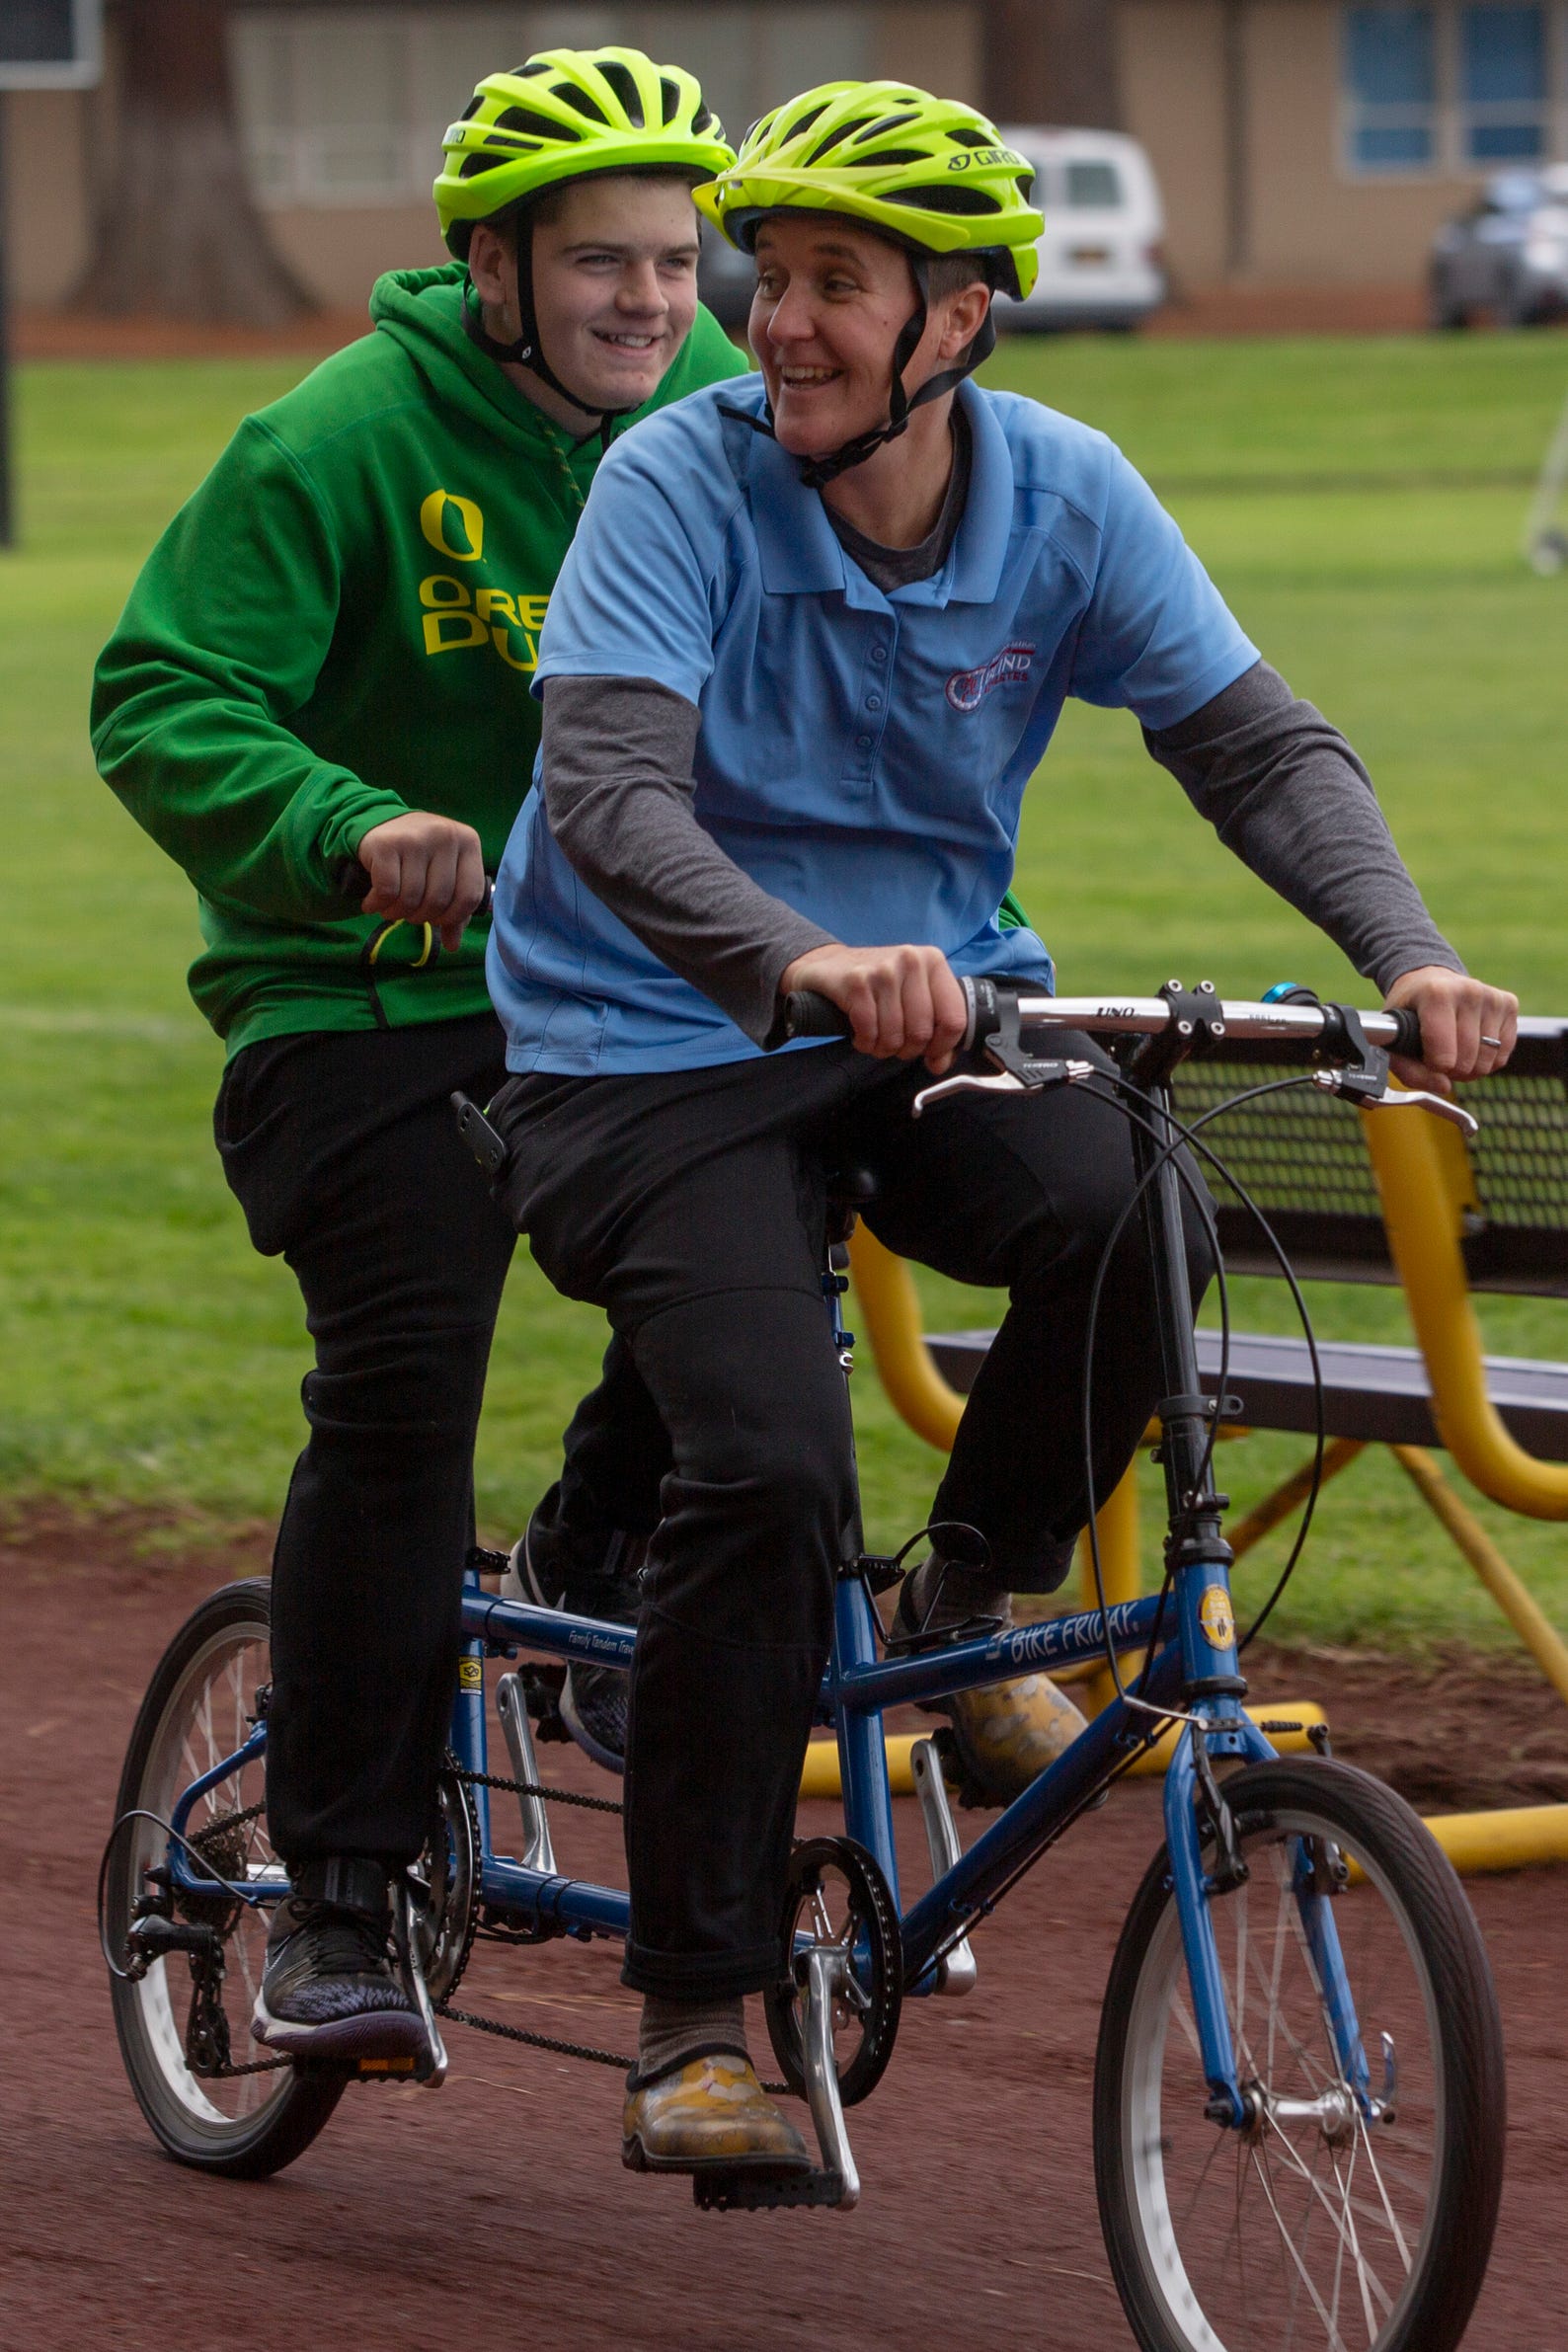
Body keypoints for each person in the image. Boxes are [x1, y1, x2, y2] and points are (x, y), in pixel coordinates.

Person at [481, 77, 1520, 2179]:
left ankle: (966, 1608)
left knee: (1139, 1202)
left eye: (833, 285)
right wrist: (794, 958)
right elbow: (603, 799)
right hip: (634, 1040)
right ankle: (692, 2006)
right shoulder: (673, 489)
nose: (773, 322)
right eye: (769, 279)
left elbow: (1248, 743)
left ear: (956, 320)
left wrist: (1408, 955)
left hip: (928, 1018)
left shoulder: (1062, 489)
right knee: (765, 1462)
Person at [90, 44, 746, 2068]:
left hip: (624, 994)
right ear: (490, 264)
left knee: (774, 1237)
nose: (648, 302)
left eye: (671, 261)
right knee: (401, 1384)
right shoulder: (342, 437)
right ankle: (340, 1900)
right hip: (359, 996)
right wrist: (346, 828)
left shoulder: (726, 418)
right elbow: (161, 692)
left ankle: (594, 1543)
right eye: (599, 266)